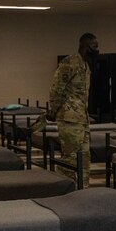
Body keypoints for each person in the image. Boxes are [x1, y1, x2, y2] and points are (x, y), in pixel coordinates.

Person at [47, 33, 99, 186]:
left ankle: (82, 189)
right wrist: (53, 110)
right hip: (69, 118)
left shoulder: (86, 65)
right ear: (84, 46)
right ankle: (64, 188)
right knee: (69, 158)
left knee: (84, 157)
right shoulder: (69, 63)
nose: (97, 49)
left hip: (82, 118)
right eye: (94, 46)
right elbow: (56, 89)